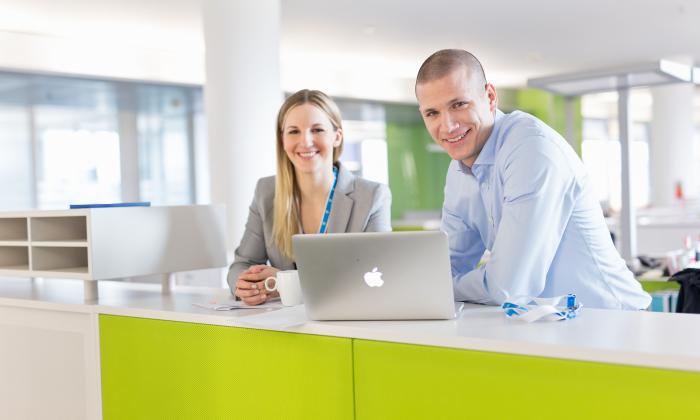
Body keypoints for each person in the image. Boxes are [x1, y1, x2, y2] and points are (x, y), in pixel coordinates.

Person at [414, 49, 650, 310]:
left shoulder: (531, 149)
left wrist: (444, 287)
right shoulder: (459, 171)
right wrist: (424, 284)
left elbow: (508, 286)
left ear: (490, 97)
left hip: (614, 321)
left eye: (459, 104)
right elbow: (447, 264)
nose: (447, 126)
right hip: (552, 323)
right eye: (432, 113)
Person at [228, 89, 392, 305]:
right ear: (282, 139)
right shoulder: (266, 191)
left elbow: (378, 277)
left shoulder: (372, 197)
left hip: (345, 325)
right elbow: (241, 265)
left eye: (317, 130)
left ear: (337, 136)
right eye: (293, 131)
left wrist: (287, 283)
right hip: (282, 326)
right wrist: (245, 285)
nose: (305, 141)